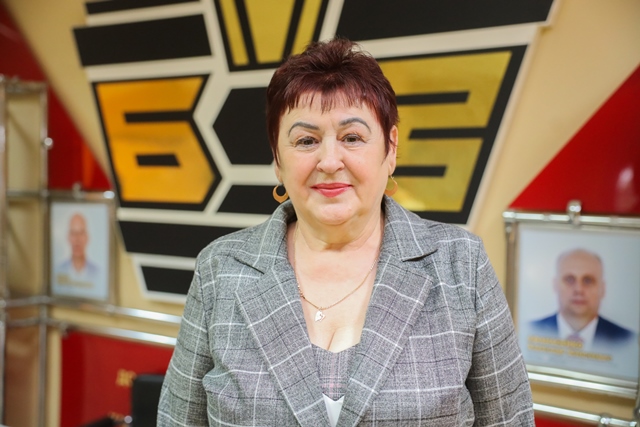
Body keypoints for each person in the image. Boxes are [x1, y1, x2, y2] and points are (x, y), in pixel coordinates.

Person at [158, 38, 534, 426]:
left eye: (352, 137)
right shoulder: (220, 270)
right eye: (306, 140)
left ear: (390, 148)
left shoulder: (461, 265)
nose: (329, 161)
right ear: (278, 160)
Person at [529, 248, 635, 350]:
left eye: (588, 280)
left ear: (602, 289)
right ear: (555, 285)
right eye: (569, 279)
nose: (579, 289)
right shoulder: (530, 330)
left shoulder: (628, 341)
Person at [54, 212, 99, 289]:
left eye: (81, 233)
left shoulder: (98, 273)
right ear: (68, 237)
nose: (77, 239)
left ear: (87, 237)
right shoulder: (58, 270)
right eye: (73, 233)